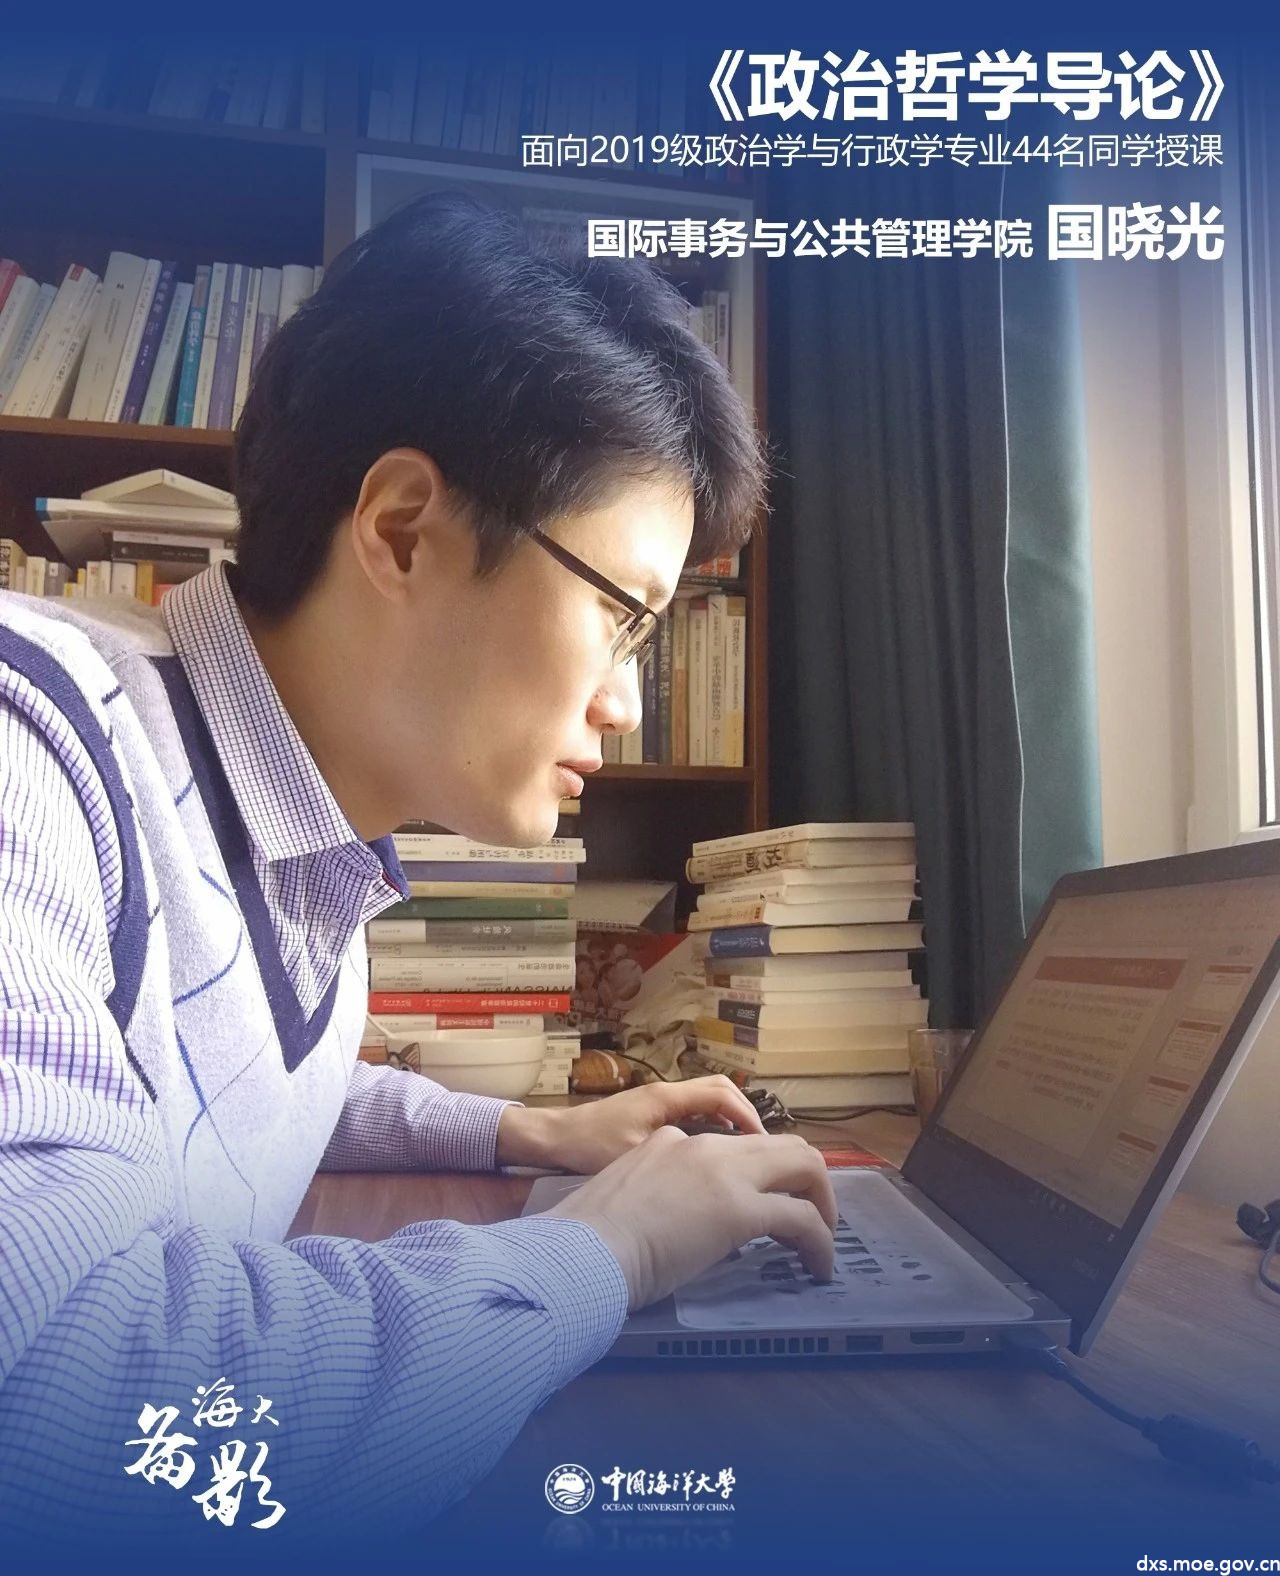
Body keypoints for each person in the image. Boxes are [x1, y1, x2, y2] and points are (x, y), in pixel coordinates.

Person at [0, 191, 836, 1543]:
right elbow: (52, 1405)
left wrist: (523, 1134)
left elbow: (221, 1084)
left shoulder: (302, 831)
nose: (627, 704)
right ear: (399, 529)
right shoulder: (32, 745)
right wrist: (603, 1249)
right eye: (623, 617)